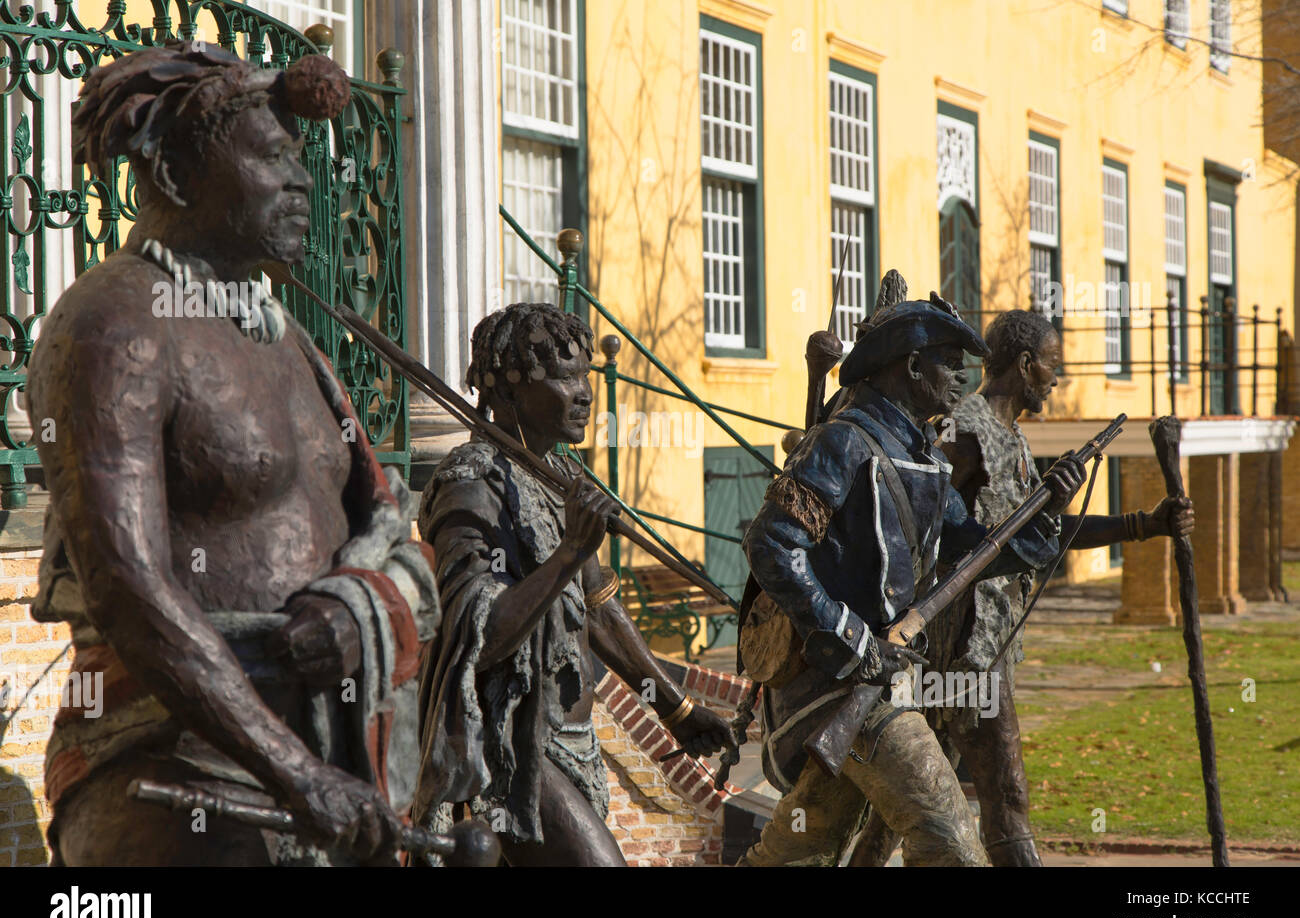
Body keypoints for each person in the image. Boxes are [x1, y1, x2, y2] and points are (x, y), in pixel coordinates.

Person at [29, 42, 439, 865]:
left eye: (301, 160)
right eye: (273, 159)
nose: (302, 183)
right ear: (177, 177)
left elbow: (389, 529)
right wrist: (295, 774)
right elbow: (128, 587)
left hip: (328, 764)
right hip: (178, 765)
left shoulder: (289, 340)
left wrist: (359, 612)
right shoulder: (114, 325)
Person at [738, 294, 1085, 866]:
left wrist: (1046, 511)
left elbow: (971, 547)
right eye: (950, 361)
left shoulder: (919, 454)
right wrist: (849, 635)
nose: (963, 377)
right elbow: (771, 544)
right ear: (912, 365)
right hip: (840, 690)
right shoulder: (844, 442)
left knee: (798, 855)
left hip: (883, 685)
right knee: (952, 845)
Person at [851, 308, 1195, 866]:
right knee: (1007, 794)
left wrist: (1143, 525)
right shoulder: (964, 432)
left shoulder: (1009, 437)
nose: (1056, 381)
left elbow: (1043, 537)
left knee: (901, 812)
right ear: (1026, 364)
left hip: (986, 644)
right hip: (961, 651)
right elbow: (921, 527)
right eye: (1051, 368)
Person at [410, 302, 737, 866]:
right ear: (510, 394)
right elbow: (478, 636)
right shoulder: (470, 483)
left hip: (575, 741)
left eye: (584, 374)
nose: (585, 392)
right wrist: (569, 553)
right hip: (511, 746)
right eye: (563, 378)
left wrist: (678, 709)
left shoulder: (561, 474)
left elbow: (602, 613)